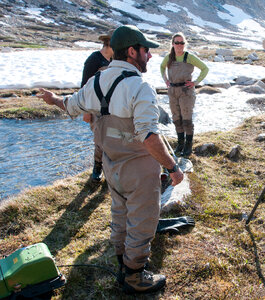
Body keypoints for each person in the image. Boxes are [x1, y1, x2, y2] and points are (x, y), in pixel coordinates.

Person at [37, 25, 184, 294]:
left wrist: (53, 99)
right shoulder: (140, 87)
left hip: (111, 165)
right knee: (142, 221)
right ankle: (135, 276)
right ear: (131, 51)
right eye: (145, 50)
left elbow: (70, 105)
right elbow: (148, 136)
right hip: (139, 170)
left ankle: (122, 262)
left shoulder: (96, 82)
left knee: (120, 214)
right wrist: (173, 168)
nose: (149, 56)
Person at [160, 32, 209, 156]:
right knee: (176, 118)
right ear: (172, 44)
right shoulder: (169, 57)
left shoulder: (189, 57)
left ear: (184, 44)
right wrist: (165, 80)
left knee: (186, 118)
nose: (179, 45)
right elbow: (161, 67)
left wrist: (196, 82)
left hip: (186, 91)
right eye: (177, 42)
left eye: (182, 42)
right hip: (172, 91)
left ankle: (188, 145)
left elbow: (205, 68)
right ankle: (180, 144)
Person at [81, 30, 114, 182]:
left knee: (112, 137)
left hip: (113, 107)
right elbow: (84, 87)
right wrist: (86, 111)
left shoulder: (115, 60)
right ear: (109, 44)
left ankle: (109, 168)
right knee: (99, 138)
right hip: (95, 107)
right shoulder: (94, 59)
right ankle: (97, 167)